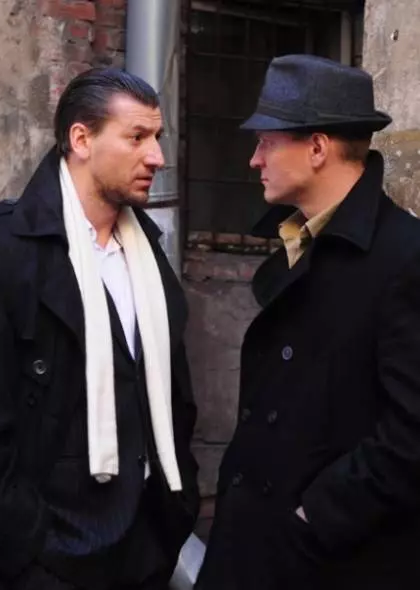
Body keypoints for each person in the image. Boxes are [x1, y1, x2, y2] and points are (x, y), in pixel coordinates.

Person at [0, 67, 201, 590]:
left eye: (157, 137)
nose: (157, 157)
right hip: (32, 561)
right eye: (137, 137)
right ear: (81, 139)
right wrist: (27, 552)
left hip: (138, 557)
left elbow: (175, 403)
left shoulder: (148, 257)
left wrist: (171, 522)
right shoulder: (1, 248)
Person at [195, 54, 420, 590]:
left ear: (317, 148)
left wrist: (315, 516)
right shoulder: (300, 240)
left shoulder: (405, 257)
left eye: (266, 142)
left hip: (331, 560)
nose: (254, 160)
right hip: (261, 547)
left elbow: (411, 433)